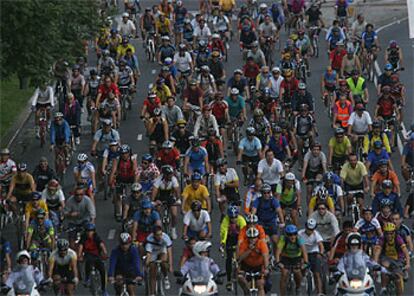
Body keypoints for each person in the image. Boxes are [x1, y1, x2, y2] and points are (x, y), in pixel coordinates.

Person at [373, 222, 410, 296]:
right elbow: (377, 252)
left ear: (394, 232)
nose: (389, 235)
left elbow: (406, 252)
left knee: (398, 280)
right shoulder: (382, 239)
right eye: (387, 233)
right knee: (384, 269)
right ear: (384, 233)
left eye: (391, 233)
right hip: (386, 258)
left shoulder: (398, 238)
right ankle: (383, 289)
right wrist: (375, 265)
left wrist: (408, 264)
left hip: (398, 259)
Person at [275, 224, 309, 296]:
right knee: (284, 274)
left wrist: (305, 262)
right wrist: (278, 262)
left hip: (297, 258)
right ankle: (282, 294)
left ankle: (298, 287)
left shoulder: (300, 238)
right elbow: (278, 252)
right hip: (286, 258)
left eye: (294, 234)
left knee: (298, 273)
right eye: (290, 235)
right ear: (287, 235)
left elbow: (304, 251)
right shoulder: (283, 239)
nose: (293, 236)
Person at [252, 183, 285, 251]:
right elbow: (253, 211)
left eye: (268, 192)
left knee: (275, 241)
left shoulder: (274, 200)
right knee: (263, 240)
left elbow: (279, 211)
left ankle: (276, 258)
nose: (266, 194)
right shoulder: (257, 200)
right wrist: (252, 219)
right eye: (264, 193)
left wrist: (282, 222)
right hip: (261, 223)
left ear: (270, 192)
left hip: (271, 222)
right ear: (261, 193)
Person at [219, 205, 246, 291]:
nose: (233, 219)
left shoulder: (241, 220)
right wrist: (223, 243)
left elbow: (244, 232)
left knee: (243, 255)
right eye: (231, 217)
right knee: (229, 259)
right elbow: (224, 232)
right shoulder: (226, 220)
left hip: (239, 238)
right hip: (230, 239)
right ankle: (229, 280)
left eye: (235, 217)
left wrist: (242, 244)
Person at [237, 227, 270, 296]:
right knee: (245, 284)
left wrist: (266, 268)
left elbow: (265, 256)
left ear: (257, 237)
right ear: (247, 238)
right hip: (246, 266)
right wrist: (249, 250)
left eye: (254, 238)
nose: (252, 240)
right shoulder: (244, 243)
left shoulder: (261, 243)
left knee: (260, 284)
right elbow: (240, 258)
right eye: (250, 238)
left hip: (259, 266)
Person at [78, 223, 108, 295]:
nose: (89, 233)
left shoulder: (96, 237)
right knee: (88, 262)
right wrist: (79, 255)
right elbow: (81, 246)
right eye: (88, 231)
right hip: (88, 254)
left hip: (97, 255)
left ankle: (104, 289)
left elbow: (101, 244)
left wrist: (105, 253)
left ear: (93, 231)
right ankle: (87, 278)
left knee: (102, 270)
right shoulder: (83, 237)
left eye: (91, 231)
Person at [109, 144, 138, 221]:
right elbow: (113, 170)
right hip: (120, 179)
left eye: (126, 153)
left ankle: (129, 210)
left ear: (129, 153)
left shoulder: (132, 159)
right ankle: (118, 212)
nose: (124, 155)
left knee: (129, 196)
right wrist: (110, 181)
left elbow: (135, 171)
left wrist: (135, 183)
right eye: (122, 153)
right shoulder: (117, 159)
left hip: (130, 180)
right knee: (117, 196)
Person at [152, 164, 180, 239]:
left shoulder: (173, 179)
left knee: (174, 214)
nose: (171, 176)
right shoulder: (158, 179)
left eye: (171, 174)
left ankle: (173, 229)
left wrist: (178, 199)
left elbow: (177, 190)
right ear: (164, 175)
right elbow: (154, 190)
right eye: (169, 175)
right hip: (160, 196)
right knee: (157, 210)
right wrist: (153, 201)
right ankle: (158, 225)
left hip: (169, 196)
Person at [298, 218, 325, 295]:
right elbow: (301, 245)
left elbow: (321, 245)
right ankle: (302, 279)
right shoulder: (300, 234)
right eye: (308, 229)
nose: (310, 231)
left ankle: (319, 292)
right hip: (302, 253)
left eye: (311, 229)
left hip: (314, 253)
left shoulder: (316, 234)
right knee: (301, 267)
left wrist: (321, 253)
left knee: (317, 273)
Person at [145, 226, 173, 294]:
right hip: (153, 251)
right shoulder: (149, 239)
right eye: (157, 235)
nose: (160, 236)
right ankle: (152, 293)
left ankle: (166, 277)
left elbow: (169, 252)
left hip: (162, 249)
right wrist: (146, 265)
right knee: (152, 271)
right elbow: (148, 255)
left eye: (161, 234)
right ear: (154, 235)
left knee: (163, 262)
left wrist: (170, 265)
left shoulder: (166, 238)